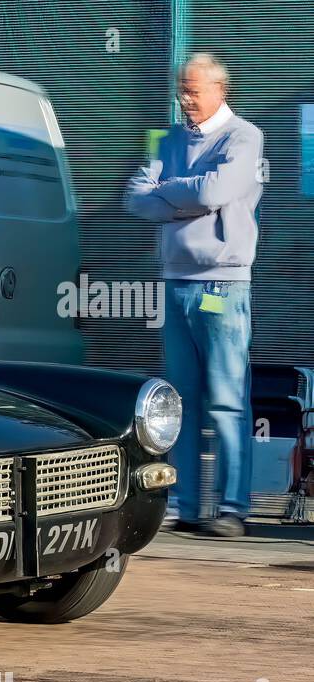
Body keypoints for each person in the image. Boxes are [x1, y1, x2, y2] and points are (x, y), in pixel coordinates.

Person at [124, 53, 263, 537]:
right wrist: (187, 195)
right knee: (181, 401)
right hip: (177, 284)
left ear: (220, 89)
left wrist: (171, 192)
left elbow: (214, 192)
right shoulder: (168, 138)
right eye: (182, 89)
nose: (185, 98)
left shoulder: (244, 137)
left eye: (194, 90)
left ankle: (232, 509)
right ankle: (186, 506)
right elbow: (134, 198)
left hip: (222, 285)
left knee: (227, 400)